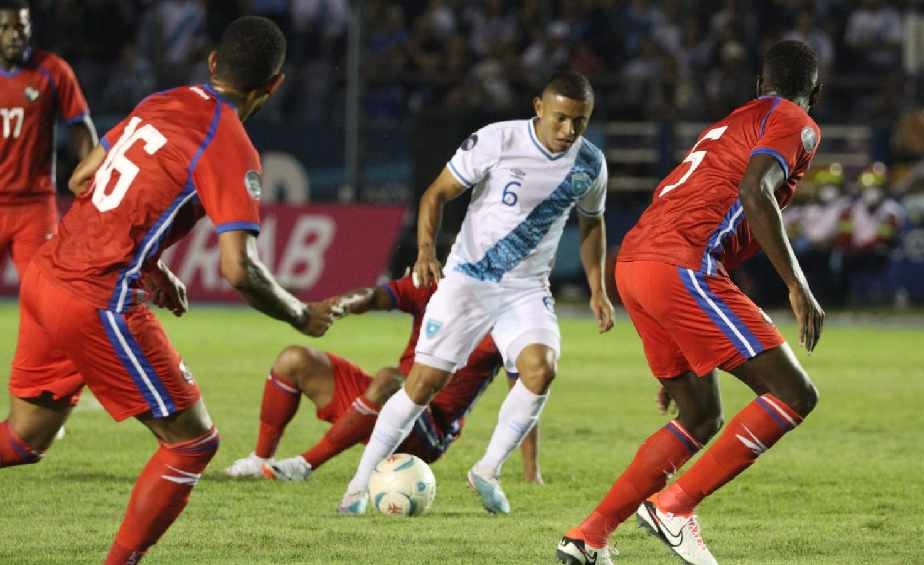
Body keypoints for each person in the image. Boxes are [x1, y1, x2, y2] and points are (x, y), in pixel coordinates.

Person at [0, 16, 338, 565]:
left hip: (46, 274)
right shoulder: (230, 145)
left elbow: (83, 178)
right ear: (274, 86)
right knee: (193, 442)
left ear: (212, 63)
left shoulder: (163, 100)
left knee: (24, 438)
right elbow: (239, 270)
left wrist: (150, 263)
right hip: (97, 298)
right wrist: (301, 314)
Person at [557, 39, 824, 565]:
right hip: (681, 263)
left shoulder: (731, 121)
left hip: (636, 263)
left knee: (700, 413)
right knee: (794, 393)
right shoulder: (797, 122)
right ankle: (675, 507)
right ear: (815, 93)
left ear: (759, 85)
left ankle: (590, 536)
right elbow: (754, 192)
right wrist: (797, 284)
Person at [339, 70, 615, 516]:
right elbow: (436, 194)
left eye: (579, 122)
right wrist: (425, 252)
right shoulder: (497, 141)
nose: (569, 131)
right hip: (469, 280)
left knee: (541, 369)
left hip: (526, 288)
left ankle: (487, 470)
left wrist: (597, 289)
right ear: (539, 108)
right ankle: (356, 487)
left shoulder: (590, 164)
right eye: (561, 118)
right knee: (422, 385)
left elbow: (592, 223)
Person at [224, 273, 544, 483]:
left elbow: (525, 392)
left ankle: (304, 465)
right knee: (293, 360)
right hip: (383, 401)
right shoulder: (434, 285)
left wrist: (531, 471)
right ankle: (259, 459)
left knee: (392, 380)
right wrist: (342, 305)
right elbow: (377, 296)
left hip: (428, 428)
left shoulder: (506, 318)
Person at [0, 0, 97, 279]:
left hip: (35, 205)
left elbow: (81, 127)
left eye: (20, 27)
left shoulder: (53, 71)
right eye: (5, 28)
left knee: (41, 291)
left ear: (30, 28)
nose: (14, 34)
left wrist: (94, 183)